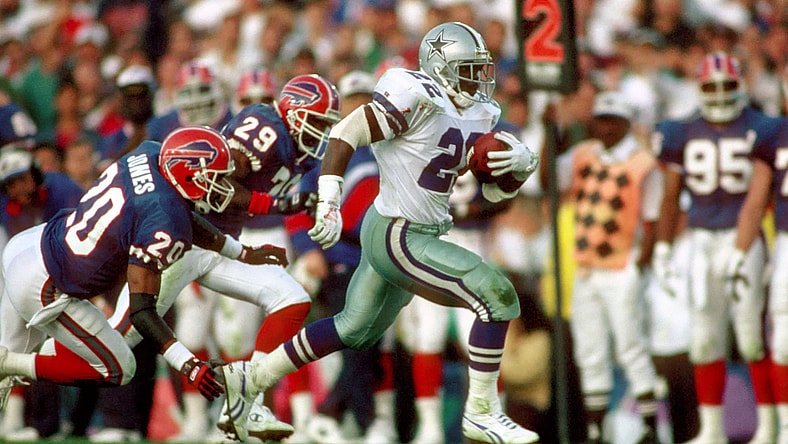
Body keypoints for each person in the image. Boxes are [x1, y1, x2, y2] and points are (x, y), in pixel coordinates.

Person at [220, 21, 541, 444]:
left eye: (481, 69)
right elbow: (346, 131)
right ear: (441, 68)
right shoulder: (414, 94)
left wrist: (516, 171)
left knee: (354, 328)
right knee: (497, 296)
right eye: (468, 69)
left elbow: (495, 193)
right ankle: (482, 412)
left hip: (407, 230)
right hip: (400, 233)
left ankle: (250, 378)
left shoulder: (481, 113)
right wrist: (329, 200)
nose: (478, 79)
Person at [97, 73, 340, 442]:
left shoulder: (297, 149)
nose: (321, 131)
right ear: (295, 112)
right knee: (117, 342)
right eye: (317, 121)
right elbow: (222, 183)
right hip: (185, 238)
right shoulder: (267, 129)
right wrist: (282, 205)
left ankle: (245, 401)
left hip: (219, 246)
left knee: (292, 299)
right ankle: (22, 363)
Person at [0, 126, 242, 418]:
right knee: (119, 367)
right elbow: (142, 311)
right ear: (187, 173)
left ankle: (12, 366)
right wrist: (187, 364)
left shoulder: (150, 152)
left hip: (28, 244)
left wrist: (237, 251)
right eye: (213, 177)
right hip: (44, 282)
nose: (219, 184)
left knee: (7, 354)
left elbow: (179, 214)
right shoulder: (166, 221)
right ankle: (12, 365)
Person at [652, 51, 782, 444]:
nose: (721, 93)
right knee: (704, 336)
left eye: (727, 85)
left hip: (744, 236)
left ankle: (770, 426)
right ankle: (711, 429)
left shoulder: (762, 127)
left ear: (740, 86)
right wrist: (662, 248)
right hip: (701, 238)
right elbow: (671, 196)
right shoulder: (681, 131)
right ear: (700, 89)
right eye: (713, 86)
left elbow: (764, 193)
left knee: (751, 335)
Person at [544, 90, 662, 444]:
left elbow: (653, 219)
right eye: (601, 120)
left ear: (626, 123)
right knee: (590, 349)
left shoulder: (643, 162)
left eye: (613, 121)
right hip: (587, 266)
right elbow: (550, 181)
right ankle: (596, 430)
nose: (606, 127)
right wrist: (549, 133)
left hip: (623, 264)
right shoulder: (584, 154)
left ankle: (649, 426)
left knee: (630, 345)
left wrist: (643, 262)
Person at [285, 69, 396, 444]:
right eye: (354, 99)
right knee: (356, 339)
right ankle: (365, 422)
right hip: (340, 256)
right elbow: (299, 205)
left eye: (366, 98)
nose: (360, 106)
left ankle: (331, 416)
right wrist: (308, 250)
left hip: (382, 257)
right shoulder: (326, 148)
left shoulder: (388, 147)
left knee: (370, 341)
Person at [726, 118, 788, 443]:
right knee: (782, 342)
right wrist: (740, 252)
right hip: (786, 242)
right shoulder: (774, 134)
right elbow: (755, 202)